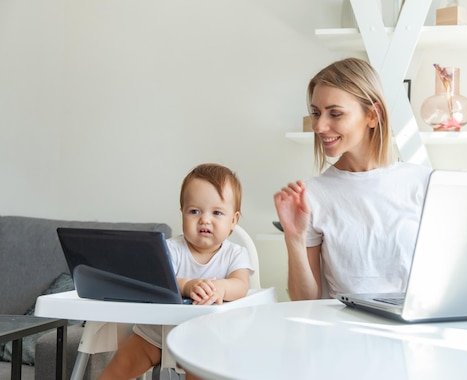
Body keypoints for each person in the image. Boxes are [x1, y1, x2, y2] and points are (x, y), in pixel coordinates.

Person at [274, 57, 431, 301]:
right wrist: (294, 238)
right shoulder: (312, 195)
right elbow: (304, 301)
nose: (319, 126)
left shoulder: (422, 182)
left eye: (335, 114)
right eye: (316, 113)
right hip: (344, 332)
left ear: (372, 115)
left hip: (414, 329)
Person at [99, 163, 253, 380]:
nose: (205, 219)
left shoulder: (235, 254)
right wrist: (188, 286)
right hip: (155, 335)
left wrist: (221, 287)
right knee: (120, 366)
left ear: (233, 221)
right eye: (194, 211)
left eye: (217, 212)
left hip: (207, 338)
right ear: (182, 213)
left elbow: (241, 285)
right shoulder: (170, 249)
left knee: (202, 369)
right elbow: (160, 282)